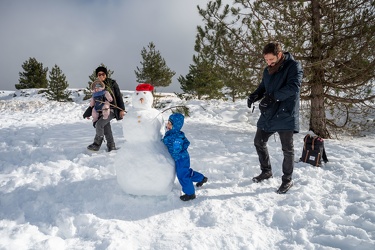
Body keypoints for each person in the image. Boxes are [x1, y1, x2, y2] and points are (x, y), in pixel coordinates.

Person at [247, 42, 303, 194]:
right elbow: (263, 87)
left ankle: (287, 180)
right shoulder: (268, 71)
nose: (268, 63)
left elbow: (294, 87)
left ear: (279, 55)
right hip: (269, 113)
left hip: (285, 112)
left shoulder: (293, 66)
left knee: (287, 149)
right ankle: (266, 171)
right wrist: (254, 95)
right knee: (259, 141)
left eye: (271, 59)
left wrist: (272, 98)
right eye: (266, 60)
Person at [162, 113, 208, 201]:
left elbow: (176, 149)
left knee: (183, 176)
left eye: (170, 124)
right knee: (186, 172)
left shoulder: (177, 137)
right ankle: (202, 178)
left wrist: (173, 145)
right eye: (167, 122)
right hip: (182, 158)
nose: (167, 125)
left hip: (181, 159)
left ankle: (190, 194)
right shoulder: (172, 133)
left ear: (176, 126)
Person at [84, 66, 126, 152]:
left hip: (111, 109)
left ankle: (96, 144)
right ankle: (111, 146)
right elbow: (94, 100)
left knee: (99, 124)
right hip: (101, 111)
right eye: (99, 74)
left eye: (103, 74)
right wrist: (88, 112)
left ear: (106, 74)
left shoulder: (112, 83)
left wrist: (121, 109)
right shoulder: (96, 86)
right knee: (106, 127)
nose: (101, 76)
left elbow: (118, 96)